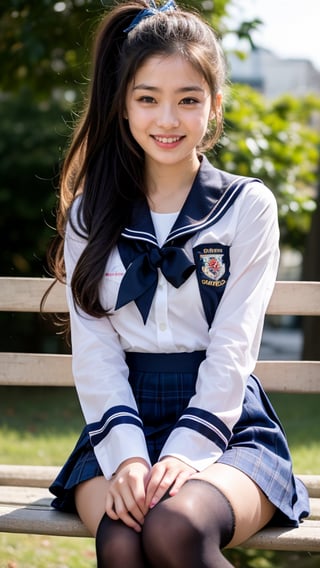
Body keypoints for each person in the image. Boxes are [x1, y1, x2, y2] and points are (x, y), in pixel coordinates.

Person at [47, 1, 309, 566]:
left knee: (173, 527)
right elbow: (94, 353)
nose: (167, 119)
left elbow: (234, 346)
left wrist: (189, 452)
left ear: (214, 107)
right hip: (121, 422)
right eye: (147, 98)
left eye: (188, 99)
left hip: (226, 419)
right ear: (122, 106)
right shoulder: (89, 217)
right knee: (121, 540)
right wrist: (129, 460)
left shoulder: (247, 207)